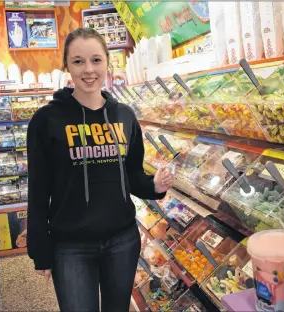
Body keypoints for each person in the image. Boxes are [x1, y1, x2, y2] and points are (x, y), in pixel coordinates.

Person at [26, 27, 174, 312]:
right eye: (78, 61)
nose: (88, 70)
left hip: (122, 240)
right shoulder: (46, 120)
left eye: (96, 60)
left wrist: (154, 186)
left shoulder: (125, 116)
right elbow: (39, 190)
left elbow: (131, 176)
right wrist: (40, 251)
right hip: (70, 246)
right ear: (67, 66)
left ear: (108, 62)